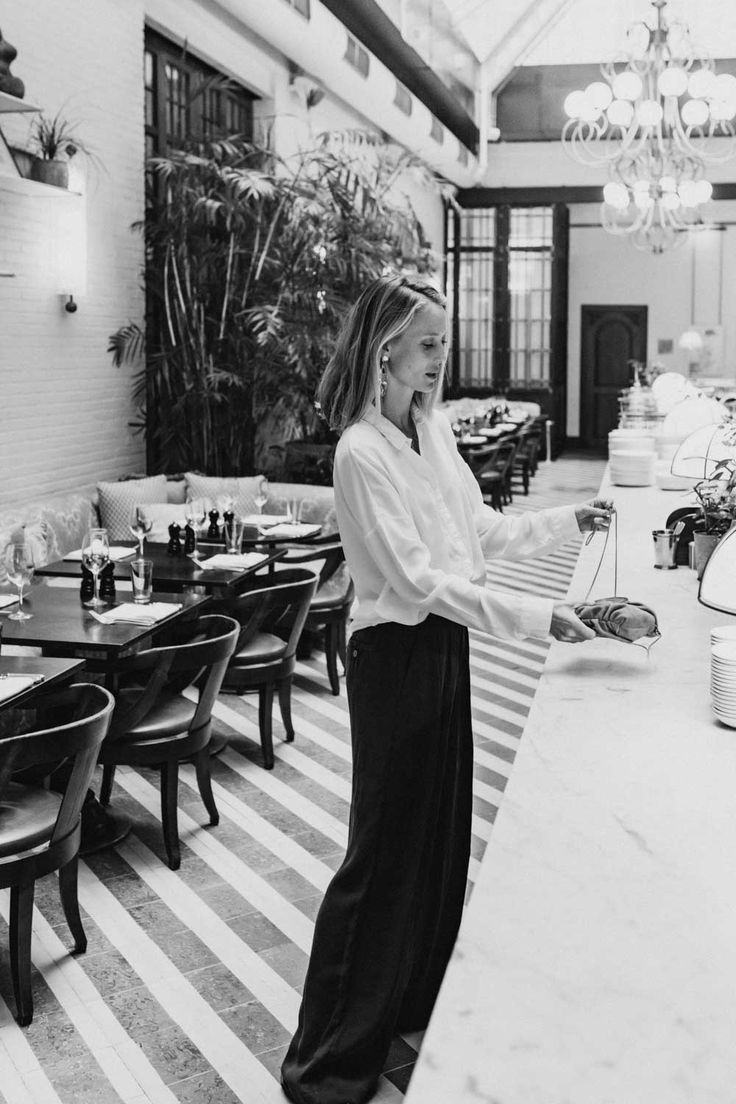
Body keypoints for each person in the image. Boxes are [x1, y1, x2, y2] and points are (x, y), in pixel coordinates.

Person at [281, 274, 612, 1104]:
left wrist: (573, 520)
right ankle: (325, 1058)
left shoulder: (430, 432)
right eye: (428, 342)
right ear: (386, 345)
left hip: (444, 651)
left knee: (436, 837)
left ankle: (406, 1000)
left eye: (442, 342)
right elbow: (421, 582)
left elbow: (482, 535)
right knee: (380, 853)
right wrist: (541, 618)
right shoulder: (360, 452)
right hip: (394, 659)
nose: (440, 358)